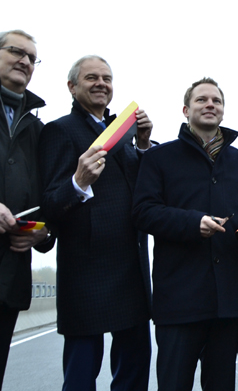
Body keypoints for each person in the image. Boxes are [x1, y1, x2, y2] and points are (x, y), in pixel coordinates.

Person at [132, 77, 238, 391]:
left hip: (229, 298)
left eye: (216, 101)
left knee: (221, 385)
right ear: (185, 110)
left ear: (223, 110)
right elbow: (143, 212)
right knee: (174, 383)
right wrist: (194, 223)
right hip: (179, 299)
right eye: (202, 100)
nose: (210, 105)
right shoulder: (159, 158)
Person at [39, 55, 152, 391]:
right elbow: (49, 203)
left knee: (134, 370)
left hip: (131, 266)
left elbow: (145, 189)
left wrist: (144, 144)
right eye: (91, 78)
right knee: (80, 373)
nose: (101, 83)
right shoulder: (60, 130)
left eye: (107, 78)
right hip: (87, 271)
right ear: (72, 87)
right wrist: (77, 181)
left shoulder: (124, 133)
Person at [0, 30, 54, 388]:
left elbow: (49, 196)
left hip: (9, 275)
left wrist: (43, 230)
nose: (25, 61)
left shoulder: (39, 129)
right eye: (16, 51)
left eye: (32, 57)